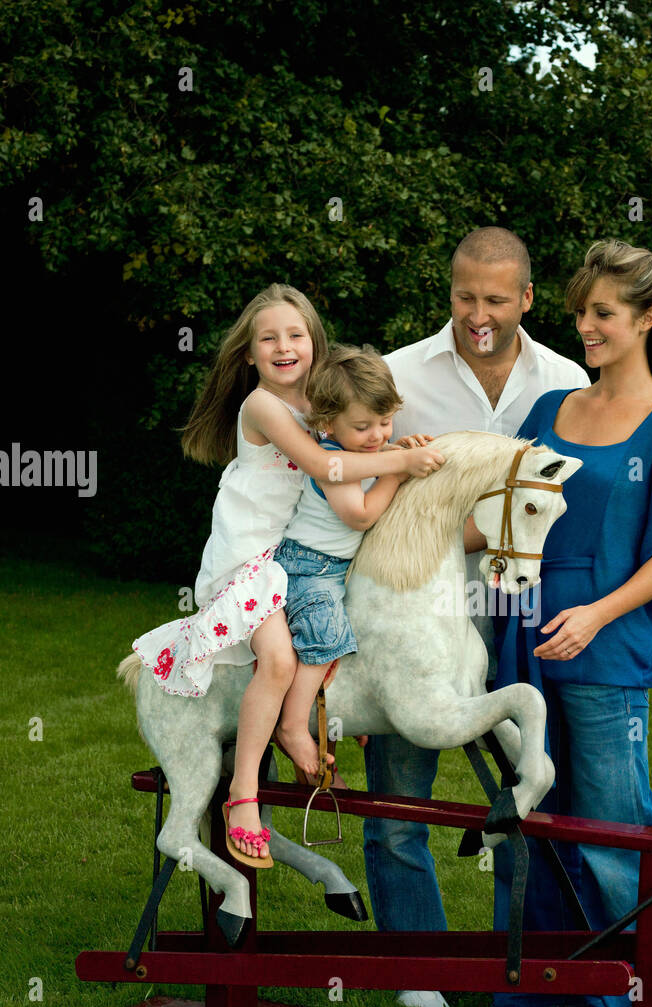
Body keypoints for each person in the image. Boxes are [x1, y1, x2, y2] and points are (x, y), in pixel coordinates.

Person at [482, 239, 652, 1007]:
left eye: (602, 314)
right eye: (579, 312)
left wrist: (598, 616)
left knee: (614, 830)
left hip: (602, 652)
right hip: (526, 642)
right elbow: (509, 513)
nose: (584, 326)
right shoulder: (551, 412)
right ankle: (544, 988)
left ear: (646, 319)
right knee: (532, 821)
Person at [132, 284, 443, 865]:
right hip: (247, 557)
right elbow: (325, 465)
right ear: (248, 354)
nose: (283, 346)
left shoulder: (325, 407)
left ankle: (324, 722)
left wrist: (392, 448)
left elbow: (348, 460)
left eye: (296, 335)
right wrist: (400, 459)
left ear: (315, 343)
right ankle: (244, 794)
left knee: (341, 633)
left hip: (286, 556)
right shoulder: (264, 407)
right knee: (277, 660)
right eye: (268, 337)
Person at [368, 226, 590, 1007]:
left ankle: (510, 975)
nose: (478, 313)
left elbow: (562, 499)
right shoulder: (397, 376)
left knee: (518, 799)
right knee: (399, 806)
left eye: (495, 299)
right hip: (415, 617)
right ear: (450, 290)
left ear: (526, 298)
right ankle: (415, 972)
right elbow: (366, 499)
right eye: (465, 296)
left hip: (518, 612)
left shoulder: (564, 382)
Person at [272, 344, 436, 780]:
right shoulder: (332, 462)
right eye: (363, 426)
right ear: (328, 423)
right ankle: (290, 726)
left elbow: (382, 458)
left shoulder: (363, 450)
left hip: (336, 570)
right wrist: (396, 469)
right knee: (324, 635)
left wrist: (399, 450)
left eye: (385, 422)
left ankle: (342, 711)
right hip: (309, 569)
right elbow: (360, 515)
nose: (378, 435)